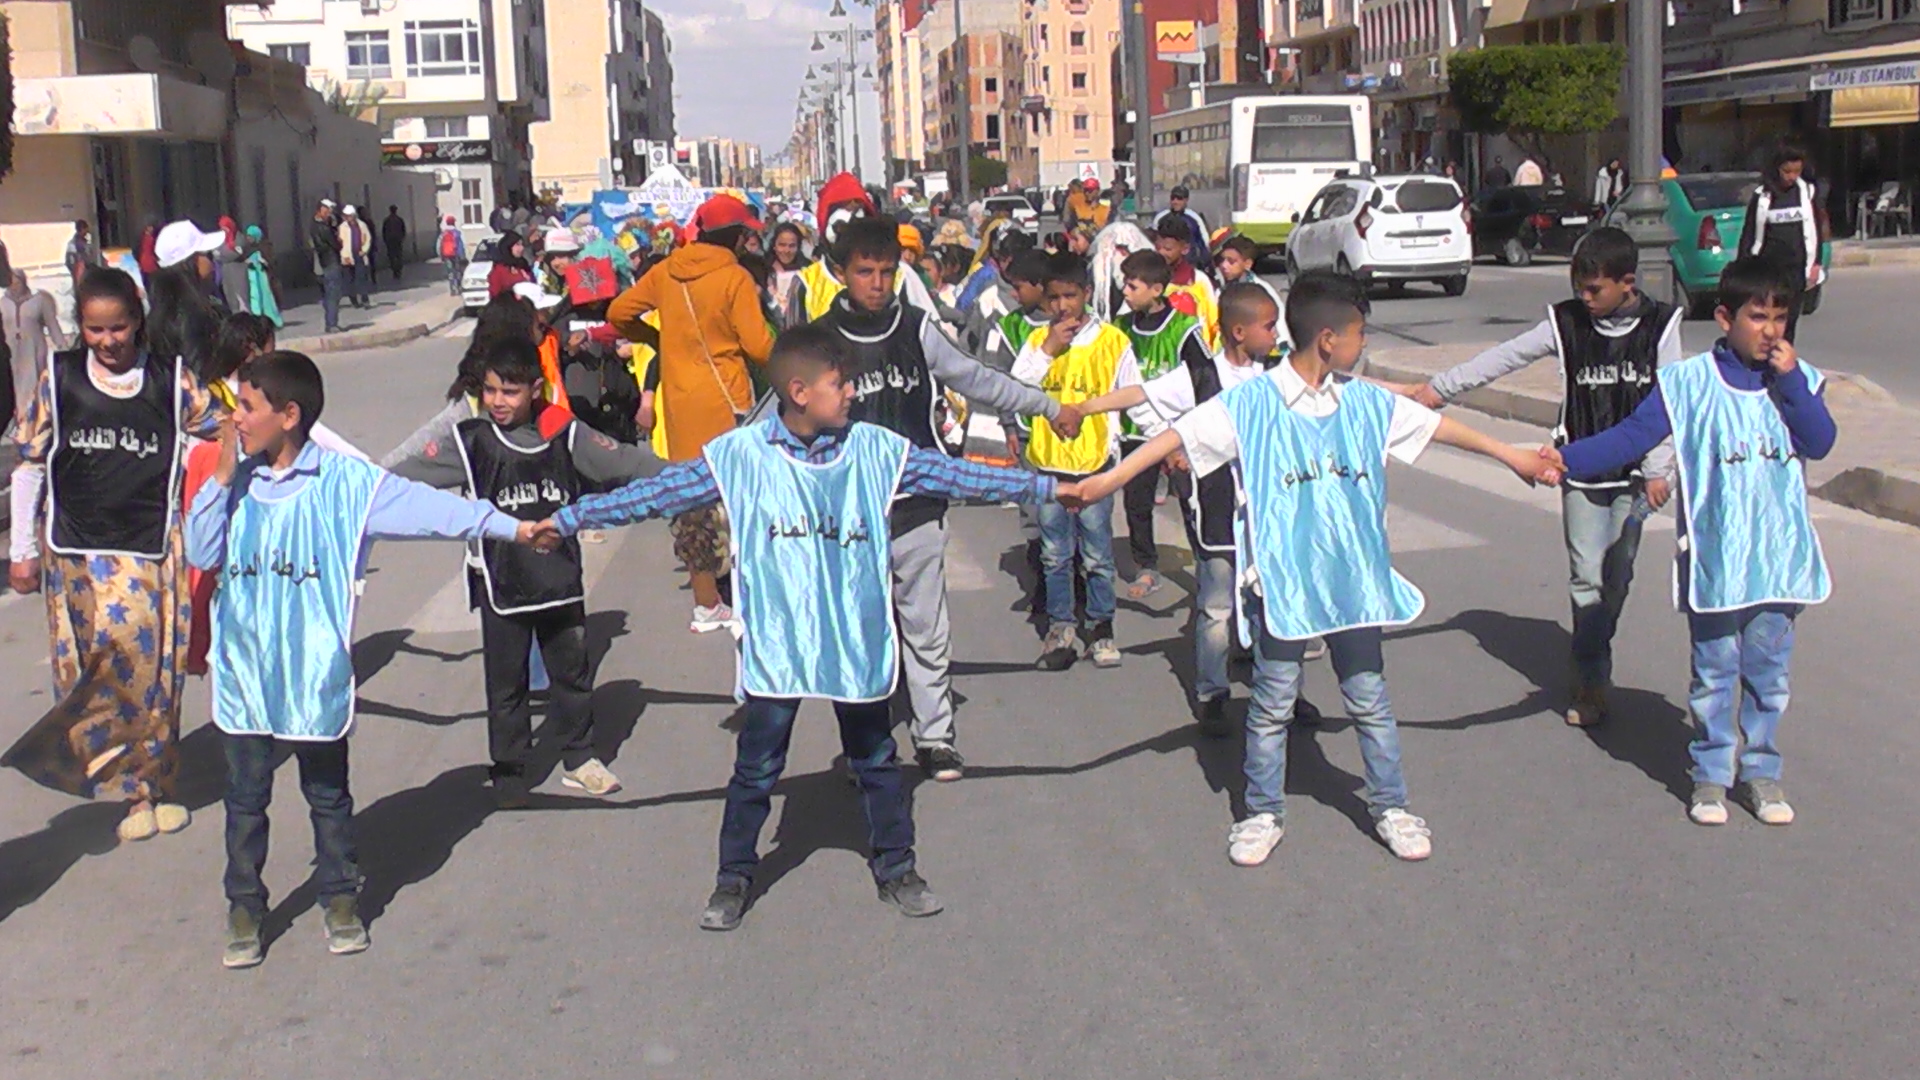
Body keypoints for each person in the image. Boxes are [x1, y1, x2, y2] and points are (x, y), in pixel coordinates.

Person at [533, 325, 1082, 930]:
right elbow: (656, 494)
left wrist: (1050, 488)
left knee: (877, 759)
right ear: (799, 392)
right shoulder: (739, 456)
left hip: (854, 637)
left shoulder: (876, 450)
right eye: (839, 384)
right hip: (780, 640)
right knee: (756, 768)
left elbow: (961, 477)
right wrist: (570, 519)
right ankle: (733, 878)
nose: (852, 394)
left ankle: (897, 866)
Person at [1077, 270, 1560, 866]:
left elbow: (1438, 427)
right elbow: (1175, 436)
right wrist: (1106, 483)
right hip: (1285, 585)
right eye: (1359, 334)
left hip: (1354, 582)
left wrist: (1513, 455)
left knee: (1369, 699)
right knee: (1272, 704)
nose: (1364, 344)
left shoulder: (1362, 400)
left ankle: (1391, 806)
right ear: (1328, 339)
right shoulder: (1250, 404)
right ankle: (1262, 812)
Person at [184, 350, 549, 968]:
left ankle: (340, 897)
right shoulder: (236, 482)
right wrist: (220, 477)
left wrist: (511, 527)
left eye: (246, 406)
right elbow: (200, 550)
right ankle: (244, 905)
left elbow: (434, 513)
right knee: (245, 798)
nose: (234, 418)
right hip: (245, 675)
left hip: (312, 674)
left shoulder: (349, 486)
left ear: (289, 415)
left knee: (328, 795)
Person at [1543, 256, 1835, 827]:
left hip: (1780, 563)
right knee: (1715, 673)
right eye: (1757, 317)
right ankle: (1710, 775)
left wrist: (1792, 382)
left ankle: (1761, 772)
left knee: (1768, 676)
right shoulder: (1688, 383)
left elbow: (1820, 441)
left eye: (1780, 317)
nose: (1770, 330)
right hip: (1717, 562)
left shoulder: (1798, 381)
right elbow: (1632, 436)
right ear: (1725, 318)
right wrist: (1562, 461)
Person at [812, 218, 1073, 780]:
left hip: (919, 501)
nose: (877, 283)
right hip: (850, 513)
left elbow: (979, 378)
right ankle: (867, 744)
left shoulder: (916, 328)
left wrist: (1050, 407)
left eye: (887, 272)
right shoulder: (817, 341)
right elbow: (778, 421)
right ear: (840, 272)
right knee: (860, 633)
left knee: (926, 629)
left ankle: (935, 738)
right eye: (864, 272)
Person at [1405, 227, 1682, 726]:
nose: (1585, 298)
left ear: (1628, 282)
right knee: (1585, 576)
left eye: (1595, 289)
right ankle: (1591, 677)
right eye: (1579, 288)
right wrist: (1440, 388)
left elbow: (1671, 399)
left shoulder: (1662, 324)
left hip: (1636, 476)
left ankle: (1594, 646)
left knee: (1616, 578)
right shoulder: (1566, 322)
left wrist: (1660, 469)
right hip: (1578, 470)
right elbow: (1506, 355)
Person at [383, 336, 661, 808]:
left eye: (510, 392)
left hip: (559, 582)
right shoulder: (471, 441)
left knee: (571, 677)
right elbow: (407, 475)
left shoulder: (565, 433)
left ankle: (580, 759)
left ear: (535, 388)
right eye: (490, 390)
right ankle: (509, 769)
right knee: (506, 684)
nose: (498, 401)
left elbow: (625, 461)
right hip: (501, 584)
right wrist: (352, 485)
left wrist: (689, 475)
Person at [2, 268, 226, 842]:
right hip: (78, 556)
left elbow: (225, 431)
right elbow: (31, 463)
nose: (108, 341)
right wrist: (22, 550)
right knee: (94, 674)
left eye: (119, 328)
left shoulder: (171, 381)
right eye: (96, 330)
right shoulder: (60, 379)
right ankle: (122, 784)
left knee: (153, 674)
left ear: (137, 322)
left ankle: (152, 786)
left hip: (151, 550)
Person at [1074, 284, 1320, 736]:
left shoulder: (1279, 371)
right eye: (1269, 326)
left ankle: (1286, 690)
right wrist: (1084, 407)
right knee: (1216, 607)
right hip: (1218, 511)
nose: (1276, 334)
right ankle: (1212, 692)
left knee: (1279, 606)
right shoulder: (1201, 376)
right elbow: (1139, 394)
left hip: (1273, 513)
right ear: (1240, 331)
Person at [606, 194, 776, 632]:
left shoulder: (667, 270)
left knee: (693, 504)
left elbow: (618, 312)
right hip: (727, 400)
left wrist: (655, 339)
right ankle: (747, 594)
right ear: (735, 237)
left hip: (680, 403)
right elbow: (759, 346)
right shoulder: (734, 277)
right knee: (741, 498)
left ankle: (706, 603)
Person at [1013, 252, 1158, 671]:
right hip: (1049, 467)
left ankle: (1100, 627)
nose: (1062, 307)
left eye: (1070, 296)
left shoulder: (1112, 341)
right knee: (1055, 554)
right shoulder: (1037, 341)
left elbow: (1135, 397)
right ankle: (1061, 626)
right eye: (1054, 298)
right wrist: (1049, 348)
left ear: (1087, 294)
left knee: (1097, 555)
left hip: (1097, 467)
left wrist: (1166, 442)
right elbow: (1016, 388)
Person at [1110, 250, 1201, 600]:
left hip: (1177, 434)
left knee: (1190, 502)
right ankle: (1146, 565)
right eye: (1125, 284)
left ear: (1157, 289)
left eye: (1133, 286)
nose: (1126, 292)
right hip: (1135, 431)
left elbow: (1203, 380)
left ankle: (1208, 563)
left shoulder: (1184, 328)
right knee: (1137, 503)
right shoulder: (1119, 329)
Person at [1737, 142, 1827, 343]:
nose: (1792, 177)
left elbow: (1816, 230)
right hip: (1769, 268)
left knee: (1789, 318)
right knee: (1767, 316)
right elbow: (1749, 233)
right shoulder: (1762, 196)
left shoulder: (1807, 193)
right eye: (1787, 171)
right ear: (1777, 168)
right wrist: (1743, 266)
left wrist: (1816, 263)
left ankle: (1783, 354)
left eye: (1797, 171)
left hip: (1796, 268)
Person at [148, 221, 229, 381]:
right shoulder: (191, 314)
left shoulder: (163, 308)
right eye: (208, 255)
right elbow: (200, 371)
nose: (213, 263)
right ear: (192, 261)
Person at [2, 270, 73, 422]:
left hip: (34, 350)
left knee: (35, 384)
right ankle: (17, 419)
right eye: (12, 283)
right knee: (12, 385)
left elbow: (52, 325)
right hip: (11, 351)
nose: (15, 286)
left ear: (24, 282)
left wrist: (63, 348)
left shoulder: (39, 301)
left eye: (18, 282)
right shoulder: (2, 303)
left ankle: (34, 418)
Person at [1154, 216, 1219, 348]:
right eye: (1158, 247)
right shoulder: (1148, 278)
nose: (1161, 253)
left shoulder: (1198, 281)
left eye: (1168, 249)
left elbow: (1212, 322)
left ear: (1185, 249)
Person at [1213, 235, 1286, 346]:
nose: (1223, 265)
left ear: (1247, 264)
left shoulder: (1261, 291)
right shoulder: (1219, 288)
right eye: (1221, 260)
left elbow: (1280, 324)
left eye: (1231, 261)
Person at [1154, 187, 1213, 273]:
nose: (1175, 202)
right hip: (1166, 264)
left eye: (1179, 198)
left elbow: (1204, 242)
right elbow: (1153, 239)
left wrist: (1206, 263)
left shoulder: (1194, 218)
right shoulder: (1160, 217)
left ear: (1186, 200)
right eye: (1173, 198)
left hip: (1189, 263)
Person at [309, 199, 345, 333]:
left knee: (329, 293)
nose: (330, 212)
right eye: (328, 209)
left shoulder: (317, 225)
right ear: (321, 209)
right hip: (330, 261)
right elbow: (334, 244)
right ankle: (332, 323)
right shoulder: (322, 227)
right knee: (333, 293)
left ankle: (330, 322)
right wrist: (338, 240)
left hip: (325, 262)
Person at [766, 221, 811, 327]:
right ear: (774, 246)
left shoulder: (808, 273)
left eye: (792, 246)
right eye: (782, 245)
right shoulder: (763, 269)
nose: (786, 250)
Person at [487, 229, 536, 300]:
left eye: (522, 244)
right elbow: (495, 294)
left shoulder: (523, 265)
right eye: (517, 244)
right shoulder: (499, 269)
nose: (521, 248)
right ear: (508, 247)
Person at [65, 219, 102, 288]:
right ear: (80, 230)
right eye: (85, 231)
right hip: (79, 269)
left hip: (89, 268)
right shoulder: (72, 244)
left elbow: (91, 252)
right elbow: (70, 260)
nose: (86, 233)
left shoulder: (87, 240)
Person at [382, 205, 407, 282]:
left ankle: (395, 270)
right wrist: (402, 238)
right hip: (397, 240)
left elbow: (384, 231)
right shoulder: (399, 220)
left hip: (390, 240)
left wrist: (385, 239)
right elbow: (403, 230)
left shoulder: (387, 220)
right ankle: (398, 270)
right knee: (398, 255)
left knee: (392, 256)